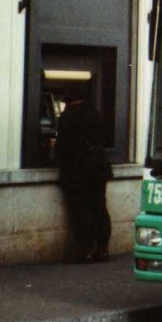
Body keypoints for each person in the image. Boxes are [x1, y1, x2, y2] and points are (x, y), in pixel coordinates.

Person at [56, 86, 112, 262]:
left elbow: (61, 148)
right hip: (98, 171)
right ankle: (102, 248)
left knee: (80, 211)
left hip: (77, 172)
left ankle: (85, 249)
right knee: (99, 209)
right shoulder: (95, 113)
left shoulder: (67, 117)